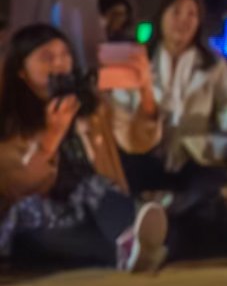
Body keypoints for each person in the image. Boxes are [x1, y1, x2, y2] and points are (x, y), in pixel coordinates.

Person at [0, 24, 169, 272]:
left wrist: (146, 92)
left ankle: (130, 247)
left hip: (95, 210)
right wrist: (50, 138)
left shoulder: (90, 105)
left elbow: (138, 140)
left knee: (96, 187)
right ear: (22, 72)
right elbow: (15, 184)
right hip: (38, 222)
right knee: (42, 212)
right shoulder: (10, 121)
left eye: (65, 55)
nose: (59, 64)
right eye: (47, 57)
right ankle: (132, 250)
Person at [107, 0, 227, 259]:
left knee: (209, 191)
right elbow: (120, 109)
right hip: (146, 154)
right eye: (176, 12)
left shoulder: (214, 64)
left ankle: (169, 211)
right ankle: (150, 224)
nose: (183, 20)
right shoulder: (135, 60)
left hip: (193, 155)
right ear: (161, 17)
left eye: (191, 14)